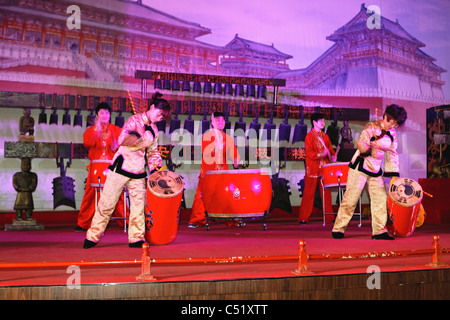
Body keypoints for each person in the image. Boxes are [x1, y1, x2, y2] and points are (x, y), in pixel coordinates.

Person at [83, 92, 171, 248]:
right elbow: (123, 140)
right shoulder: (134, 120)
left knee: (138, 207)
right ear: (152, 108)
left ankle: (136, 238)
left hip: (138, 171)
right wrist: (143, 138)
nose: (160, 118)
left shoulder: (154, 130)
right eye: (159, 114)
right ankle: (92, 236)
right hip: (121, 167)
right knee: (107, 203)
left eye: (163, 117)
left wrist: (157, 170)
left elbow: (153, 152)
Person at [332, 104, 407, 240]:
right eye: (393, 123)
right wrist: (368, 147)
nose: (394, 126)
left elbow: (392, 153)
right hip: (360, 166)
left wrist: (393, 175)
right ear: (386, 117)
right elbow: (360, 143)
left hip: (375, 169)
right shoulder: (371, 127)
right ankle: (338, 228)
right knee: (351, 198)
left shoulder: (392, 134)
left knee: (380, 199)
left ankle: (379, 230)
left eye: (396, 124)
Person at [75, 103, 124, 231]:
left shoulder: (116, 129)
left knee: (118, 194)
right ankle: (83, 223)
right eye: (102, 113)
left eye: (107, 113)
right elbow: (88, 143)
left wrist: (116, 147)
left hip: (112, 167)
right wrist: (96, 129)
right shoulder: (91, 130)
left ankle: (125, 221)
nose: (105, 115)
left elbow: (122, 147)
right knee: (90, 194)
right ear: (97, 115)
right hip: (96, 166)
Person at [188, 111, 241, 228]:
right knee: (201, 196)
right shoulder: (206, 137)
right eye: (217, 120)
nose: (220, 122)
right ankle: (197, 220)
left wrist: (237, 160)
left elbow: (235, 154)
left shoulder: (228, 138)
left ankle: (232, 220)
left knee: (228, 196)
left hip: (222, 174)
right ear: (212, 122)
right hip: (207, 173)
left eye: (222, 120)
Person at [298, 113, 337, 224]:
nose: (323, 123)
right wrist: (321, 154)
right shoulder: (309, 136)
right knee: (308, 193)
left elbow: (330, 150)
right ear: (314, 122)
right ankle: (303, 217)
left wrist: (333, 155)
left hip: (324, 168)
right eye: (320, 121)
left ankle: (329, 217)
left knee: (327, 192)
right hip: (313, 168)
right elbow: (310, 154)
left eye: (323, 121)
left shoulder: (325, 136)